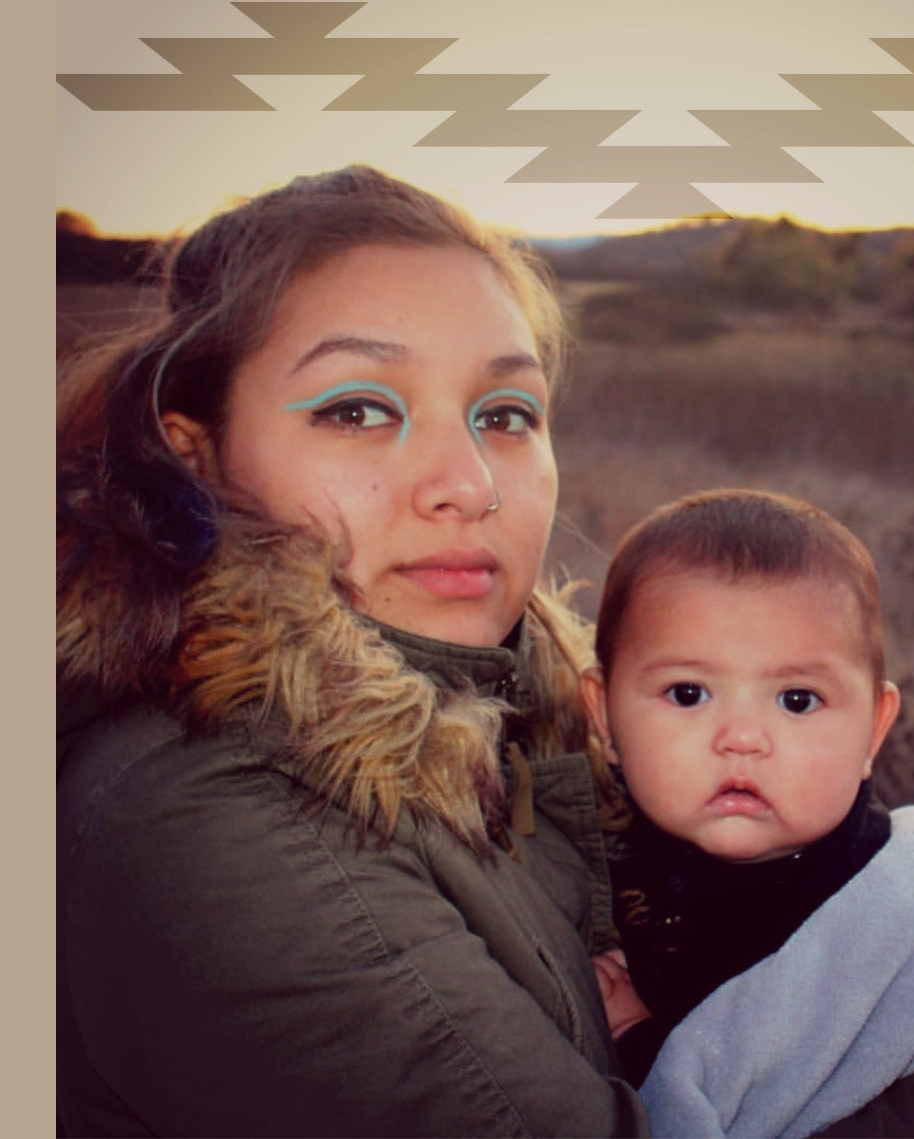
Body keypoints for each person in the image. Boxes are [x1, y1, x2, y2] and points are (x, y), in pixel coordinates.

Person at [56, 166, 646, 1136]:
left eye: (504, 415)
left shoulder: (555, 720)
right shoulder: (219, 822)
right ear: (193, 453)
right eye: (358, 408)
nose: (466, 483)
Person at [578, 489, 914, 1138]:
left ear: (873, 730)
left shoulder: (908, 917)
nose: (741, 736)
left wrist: (643, 1043)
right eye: (688, 692)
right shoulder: (581, 874)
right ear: (604, 713)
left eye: (795, 699)